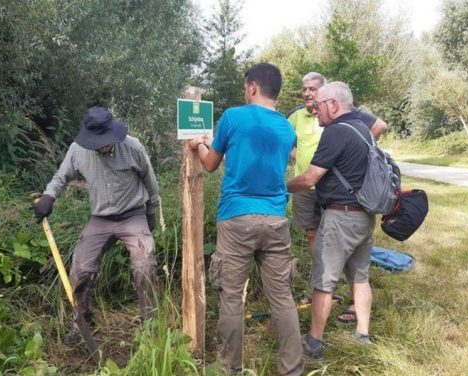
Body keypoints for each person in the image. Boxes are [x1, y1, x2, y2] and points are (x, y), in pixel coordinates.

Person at [189, 63, 303, 375]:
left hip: (236, 219)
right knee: (282, 298)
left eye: (244, 88)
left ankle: (230, 369)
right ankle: (292, 370)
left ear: (252, 87)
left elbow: (211, 163)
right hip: (275, 220)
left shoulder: (233, 117)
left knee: (232, 298)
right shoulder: (286, 129)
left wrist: (198, 144)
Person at [33, 106, 160, 343]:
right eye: (97, 142)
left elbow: (151, 182)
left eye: (106, 141)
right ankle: (82, 322)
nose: (102, 146)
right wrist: (48, 197)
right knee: (81, 267)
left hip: (133, 215)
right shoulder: (77, 151)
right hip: (100, 219)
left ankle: (151, 325)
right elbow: (60, 178)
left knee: (144, 264)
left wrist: (151, 214)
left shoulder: (133, 147)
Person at [288, 72, 387, 322]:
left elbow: (310, 178)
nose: (311, 99)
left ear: (332, 102)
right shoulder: (356, 129)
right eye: (305, 90)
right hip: (357, 210)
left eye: (317, 98)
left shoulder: (338, 129)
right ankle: (362, 333)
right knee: (357, 271)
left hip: (339, 207)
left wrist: (278, 187)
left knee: (327, 273)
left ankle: (315, 340)